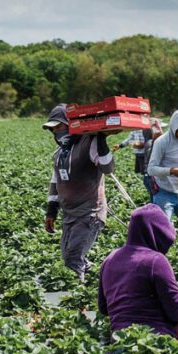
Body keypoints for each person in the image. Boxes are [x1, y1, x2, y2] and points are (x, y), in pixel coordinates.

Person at [98, 204, 178, 338]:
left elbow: (103, 307)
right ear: (159, 233)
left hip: (120, 341)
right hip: (155, 343)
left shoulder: (110, 259)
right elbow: (177, 311)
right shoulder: (156, 261)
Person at [42, 103, 115, 282]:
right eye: (53, 129)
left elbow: (107, 168)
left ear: (69, 124)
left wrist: (101, 140)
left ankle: (77, 299)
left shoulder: (89, 142)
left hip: (89, 213)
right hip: (69, 213)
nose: (55, 132)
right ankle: (101, 279)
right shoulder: (61, 152)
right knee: (69, 256)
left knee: (72, 259)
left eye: (59, 127)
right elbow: (55, 181)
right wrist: (52, 211)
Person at [141, 119, 166, 202]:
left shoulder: (151, 142)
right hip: (150, 178)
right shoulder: (150, 143)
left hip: (150, 177)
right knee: (156, 201)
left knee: (156, 200)